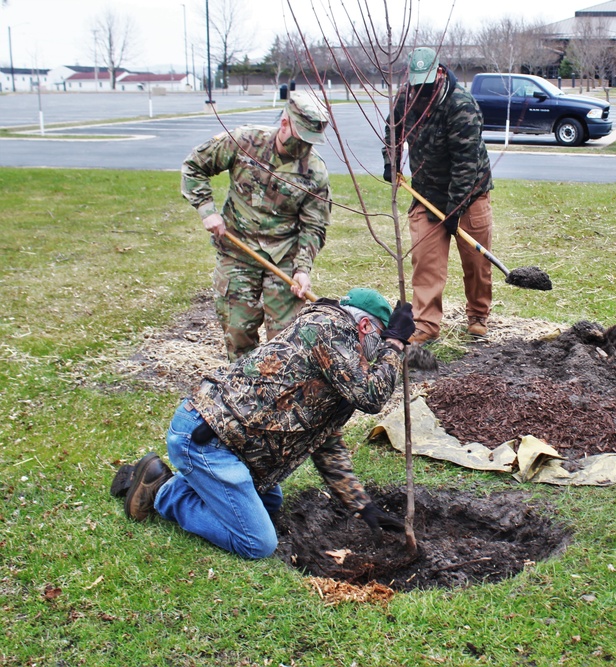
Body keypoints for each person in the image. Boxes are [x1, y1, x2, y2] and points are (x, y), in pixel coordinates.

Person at [112, 289, 416, 559]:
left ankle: (169, 480)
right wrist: (394, 345)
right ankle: (166, 492)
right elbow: (372, 397)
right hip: (207, 440)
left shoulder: (339, 359)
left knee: (269, 503)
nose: (377, 351)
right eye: (378, 337)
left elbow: (326, 441)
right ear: (364, 326)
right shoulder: (329, 329)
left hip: (230, 446)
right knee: (257, 542)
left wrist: (361, 505)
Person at [182, 91, 333, 361]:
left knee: (287, 342)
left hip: (283, 257)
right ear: (285, 123)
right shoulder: (244, 142)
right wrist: (207, 210)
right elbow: (195, 165)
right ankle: (244, 390)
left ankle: (280, 395)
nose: (304, 149)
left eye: (311, 142)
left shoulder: (315, 171)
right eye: (301, 139)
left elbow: (314, 226)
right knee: (238, 331)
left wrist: (302, 269)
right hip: (237, 251)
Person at [382, 47, 494, 344]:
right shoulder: (405, 98)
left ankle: (478, 314)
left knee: (476, 263)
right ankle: (425, 326)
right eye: (416, 84)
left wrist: (455, 209)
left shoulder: (461, 105)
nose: (420, 91)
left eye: (426, 85)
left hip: (469, 194)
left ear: (438, 75)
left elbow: (466, 164)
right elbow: (393, 131)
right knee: (426, 261)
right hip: (426, 192)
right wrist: (390, 163)